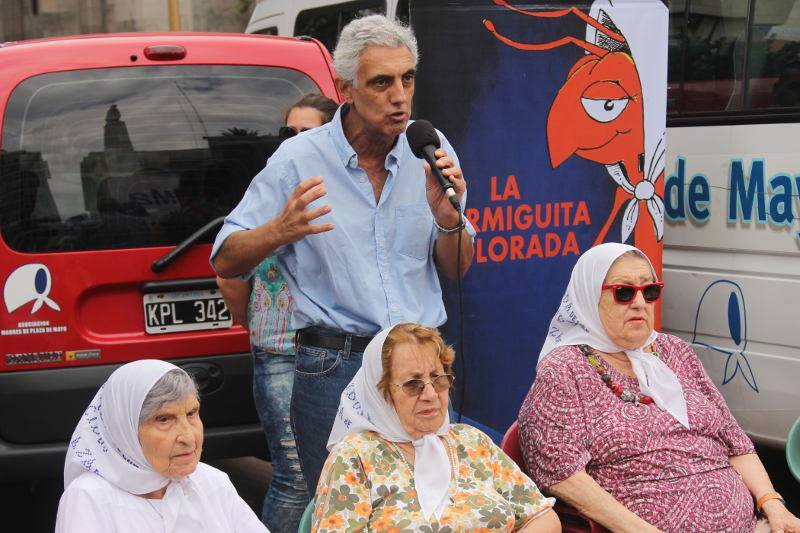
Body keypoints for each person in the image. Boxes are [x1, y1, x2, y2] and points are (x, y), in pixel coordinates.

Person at [211, 14, 475, 493]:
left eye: (407, 78)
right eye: (381, 82)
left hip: (422, 365)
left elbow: (457, 267)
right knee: (343, 509)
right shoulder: (298, 159)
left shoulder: (429, 150)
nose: (399, 95)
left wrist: (448, 218)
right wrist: (279, 230)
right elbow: (226, 259)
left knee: (433, 502)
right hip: (337, 367)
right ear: (346, 89)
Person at [518, 243, 800, 533]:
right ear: (589, 298)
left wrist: (773, 505)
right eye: (624, 292)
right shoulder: (564, 368)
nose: (640, 302)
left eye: (649, 290)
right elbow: (561, 475)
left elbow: (735, 443)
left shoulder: (675, 351)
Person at [216, 92, 338, 533]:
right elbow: (228, 273)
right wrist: (259, 327)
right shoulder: (270, 189)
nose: (295, 140)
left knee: (336, 478)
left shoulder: (350, 189)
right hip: (283, 352)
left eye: (307, 132)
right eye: (288, 132)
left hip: (339, 355)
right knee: (295, 479)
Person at [312, 323, 560, 532]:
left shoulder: (472, 442)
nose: (430, 394)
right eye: (413, 384)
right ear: (382, 393)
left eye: (438, 378)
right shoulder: (355, 456)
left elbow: (541, 515)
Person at [55, 360, 268, 533]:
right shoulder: (90, 497)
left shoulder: (211, 483)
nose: (188, 437)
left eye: (192, 414)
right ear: (125, 429)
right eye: (164, 419)